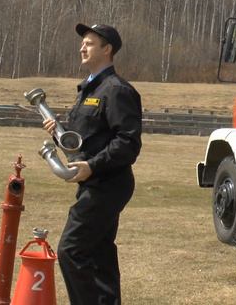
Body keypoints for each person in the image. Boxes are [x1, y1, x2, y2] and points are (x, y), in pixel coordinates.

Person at [43, 23, 142, 305]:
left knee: (71, 250)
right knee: (99, 253)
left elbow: (128, 143)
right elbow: (83, 143)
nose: (81, 48)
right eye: (83, 43)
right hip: (94, 182)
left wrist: (93, 166)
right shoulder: (89, 90)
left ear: (107, 49)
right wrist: (57, 131)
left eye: (89, 43)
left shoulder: (117, 90)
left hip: (108, 184)